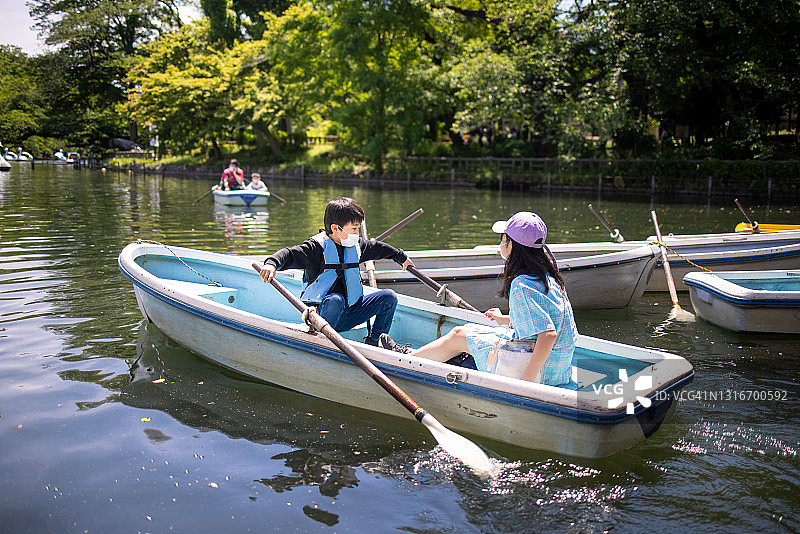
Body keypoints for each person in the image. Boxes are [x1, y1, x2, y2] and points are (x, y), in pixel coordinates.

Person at [381, 211, 576, 386]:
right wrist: (506, 319)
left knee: (458, 334)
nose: (501, 243)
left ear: (513, 245)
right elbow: (548, 321)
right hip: (558, 369)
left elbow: (548, 334)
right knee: (466, 330)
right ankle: (413, 356)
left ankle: (403, 362)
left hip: (541, 373)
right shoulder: (549, 277)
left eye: (503, 239)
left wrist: (526, 383)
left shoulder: (522, 284)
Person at [259, 197, 415, 346]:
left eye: (358, 229)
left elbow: (379, 248)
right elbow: (289, 254)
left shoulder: (357, 246)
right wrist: (271, 264)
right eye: (353, 229)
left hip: (352, 312)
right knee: (336, 300)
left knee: (389, 297)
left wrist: (401, 257)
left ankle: (375, 341)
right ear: (335, 228)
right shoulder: (316, 248)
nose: (357, 234)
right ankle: (322, 343)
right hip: (322, 317)